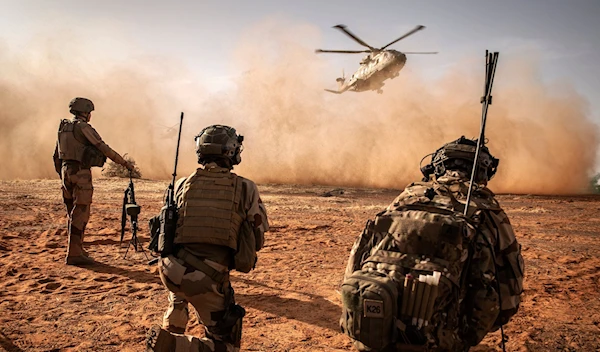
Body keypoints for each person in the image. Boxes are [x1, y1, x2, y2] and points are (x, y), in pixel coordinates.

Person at [340, 136, 524, 351]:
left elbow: (353, 268)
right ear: (484, 171)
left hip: (375, 331)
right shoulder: (487, 211)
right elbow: (508, 295)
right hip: (443, 342)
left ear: (437, 167)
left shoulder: (405, 199)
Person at [146, 125, 269, 352]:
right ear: (231, 152)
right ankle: (173, 344)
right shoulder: (244, 187)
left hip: (169, 270)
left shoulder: (182, 184)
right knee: (227, 347)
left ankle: (173, 323)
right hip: (206, 279)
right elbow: (257, 238)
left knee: (181, 288)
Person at [53, 97, 134, 266]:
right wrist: (124, 163)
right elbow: (103, 147)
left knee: (72, 212)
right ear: (85, 112)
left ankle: (77, 249)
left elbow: (56, 155)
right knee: (81, 212)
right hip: (80, 172)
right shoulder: (83, 128)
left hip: (65, 171)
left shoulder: (64, 128)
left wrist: (62, 175)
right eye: (89, 112)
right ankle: (74, 254)